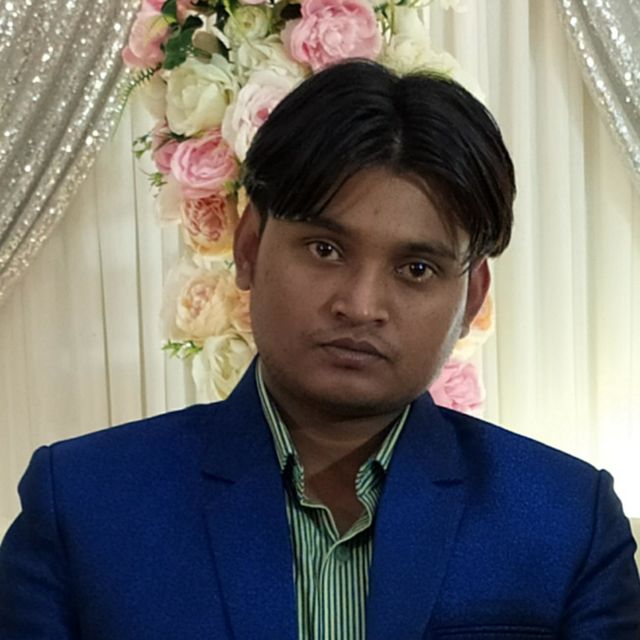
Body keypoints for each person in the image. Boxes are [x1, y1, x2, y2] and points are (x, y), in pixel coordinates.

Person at [1, 60, 639, 640]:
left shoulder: (565, 521)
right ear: (249, 248)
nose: (360, 305)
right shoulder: (84, 504)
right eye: (325, 249)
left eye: (416, 268)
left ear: (471, 297)